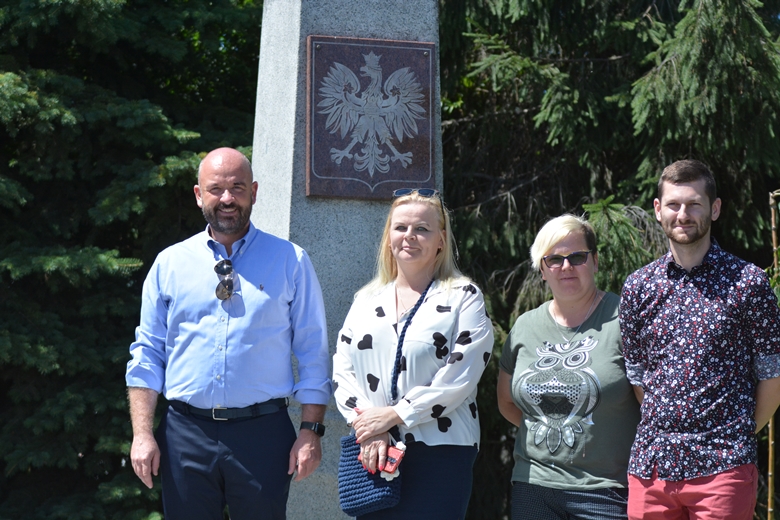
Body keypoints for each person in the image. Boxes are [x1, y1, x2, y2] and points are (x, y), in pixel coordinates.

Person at [125, 147, 331, 520]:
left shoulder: (291, 261)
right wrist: (142, 433)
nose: (226, 198)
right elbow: (148, 352)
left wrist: (310, 430)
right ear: (198, 194)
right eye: (216, 188)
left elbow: (313, 349)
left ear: (253, 191)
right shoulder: (170, 263)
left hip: (263, 433)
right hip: (185, 433)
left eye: (237, 187)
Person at [620, 159, 780, 520]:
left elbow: (773, 377)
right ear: (659, 210)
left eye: (694, 204)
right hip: (652, 470)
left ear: (715, 208)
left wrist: (737, 434)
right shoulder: (638, 287)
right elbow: (637, 376)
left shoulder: (748, 284)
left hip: (723, 470)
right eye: (674, 204)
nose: (683, 214)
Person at [332, 188, 494, 519]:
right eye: (401, 227)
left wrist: (395, 415)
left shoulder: (464, 297)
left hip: (441, 452)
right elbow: (342, 369)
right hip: (375, 448)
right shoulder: (366, 300)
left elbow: (460, 375)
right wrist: (369, 425)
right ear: (388, 237)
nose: (410, 237)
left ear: (441, 240)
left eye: (422, 229)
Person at [497, 214, 641, 520]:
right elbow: (507, 401)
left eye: (577, 257)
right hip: (533, 485)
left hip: (606, 490)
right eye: (554, 260)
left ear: (595, 262)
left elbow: (650, 406)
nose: (566, 267)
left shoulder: (625, 319)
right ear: (542, 270)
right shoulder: (524, 326)